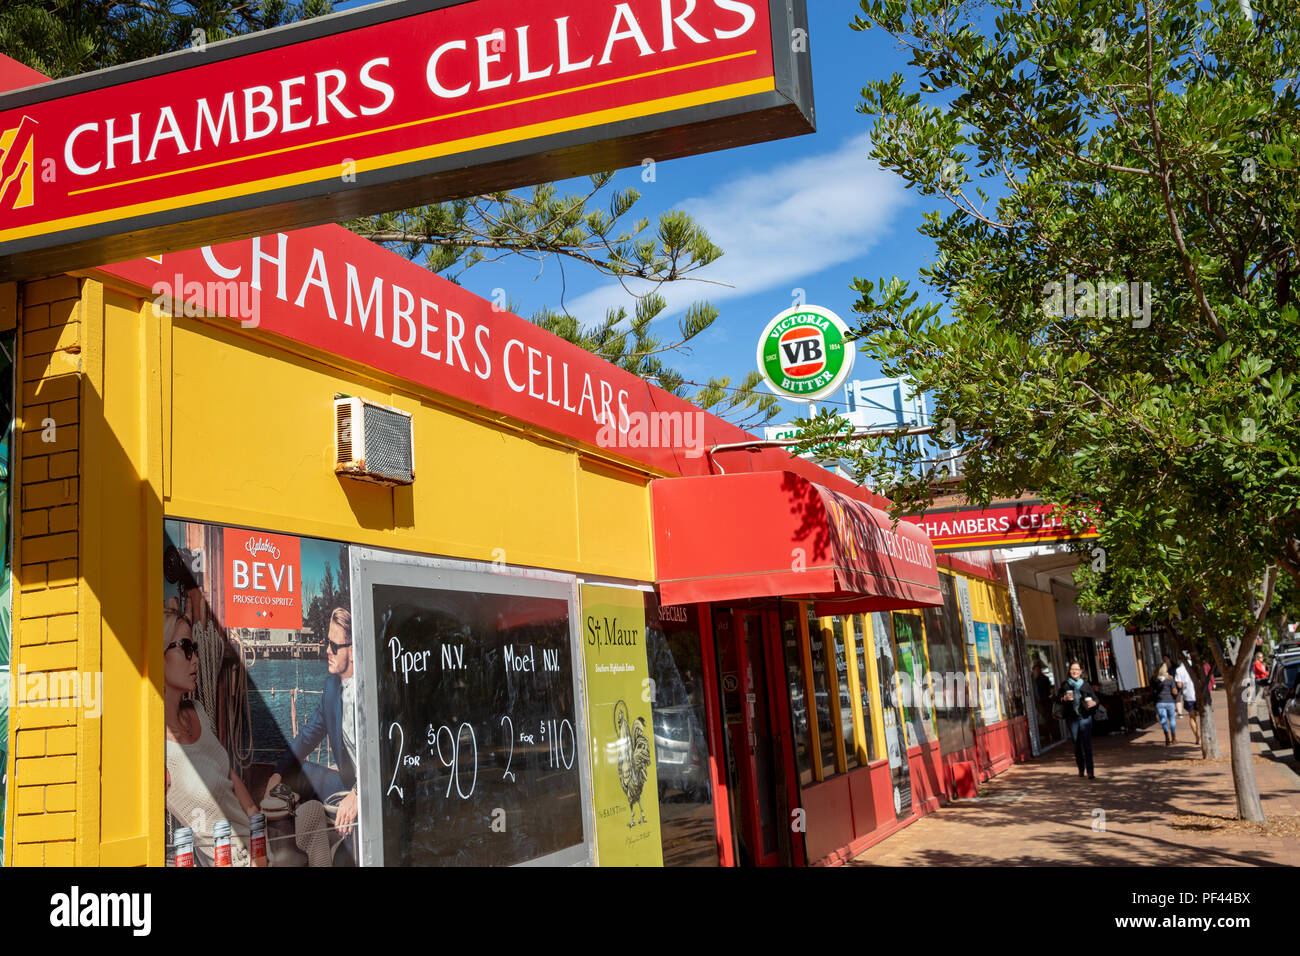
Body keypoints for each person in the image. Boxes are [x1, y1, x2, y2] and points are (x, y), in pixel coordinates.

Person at [164, 603, 258, 866]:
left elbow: (227, 773)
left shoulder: (197, 712)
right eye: (185, 648)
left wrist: (254, 818)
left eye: (194, 649)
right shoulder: (155, 750)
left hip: (257, 849)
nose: (195, 658)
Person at [264, 608, 359, 841]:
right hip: (348, 784)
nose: (327, 650)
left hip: (374, 788)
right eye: (328, 643)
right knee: (297, 770)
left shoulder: (374, 690)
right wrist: (277, 774)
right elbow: (307, 737)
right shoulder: (332, 688)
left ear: (354, 651)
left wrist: (360, 793)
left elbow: (388, 757)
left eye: (334, 646)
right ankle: (289, 846)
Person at [1054, 661, 1100, 779]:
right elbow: (1057, 699)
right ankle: (1081, 769)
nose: (1074, 671)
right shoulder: (1065, 685)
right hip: (1072, 718)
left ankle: (1090, 771)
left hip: (1085, 718)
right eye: (1072, 669)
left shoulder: (1085, 685)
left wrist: (1092, 703)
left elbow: (1096, 700)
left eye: (1076, 669)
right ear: (1069, 671)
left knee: (1087, 745)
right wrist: (1064, 698)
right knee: (1077, 745)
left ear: (1080, 672)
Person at [1174, 655, 1200, 746]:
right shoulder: (1196, 666)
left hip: (1188, 695)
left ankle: (1197, 737)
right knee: (1204, 715)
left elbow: (1180, 685)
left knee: (1192, 717)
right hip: (1199, 694)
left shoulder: (1179, 670)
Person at [1153, 663, 1179, 746]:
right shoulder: (1170, 678)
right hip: (1170, 701)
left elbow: (1152, 690)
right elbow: (1174, 691)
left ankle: (1167, 738)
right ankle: (1174, 738)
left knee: (1163, 720)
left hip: (1160, 702)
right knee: (1172, 719)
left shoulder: (1155, 680)